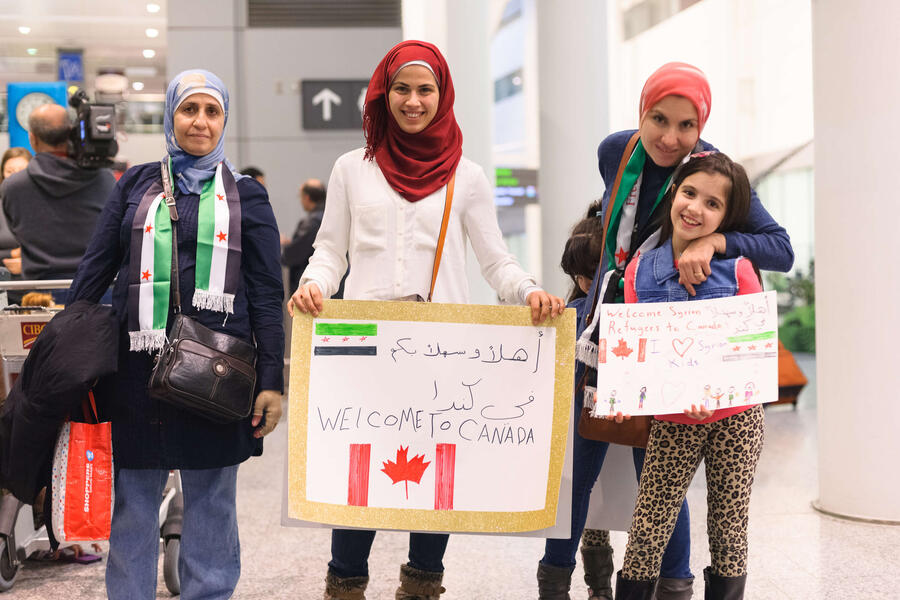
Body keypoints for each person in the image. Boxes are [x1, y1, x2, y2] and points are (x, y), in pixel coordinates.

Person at [288, 40, 565, 600]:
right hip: (364, 351)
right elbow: (330, 251)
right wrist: (314, 283)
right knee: (357, 474)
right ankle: (345, 586)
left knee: (436, 477)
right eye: (402, 89)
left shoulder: (468, 175)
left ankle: (422, 587)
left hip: (440, 351)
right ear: (382, 92)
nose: (413, 101)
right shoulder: (350, 168)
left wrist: (530, 291)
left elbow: (495, 261)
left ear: (443, 95)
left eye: (425, 90)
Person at [538, 62, 794, 600]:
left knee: (658, 481)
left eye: (685, 126)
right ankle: (554, 583)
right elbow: (611, 230)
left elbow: (781, 248)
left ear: (701, 127)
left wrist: (715, 244)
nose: (669, 138)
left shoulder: (708, 171)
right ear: (641, 112)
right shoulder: (615, 151)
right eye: (658, 119)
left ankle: (673, 585)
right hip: (601, 334)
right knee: (573, 471)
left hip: (665, 350)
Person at [67, 69, 285, 600]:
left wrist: (273, 379)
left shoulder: (247, 195)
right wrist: (69, 347)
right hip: (138, 367)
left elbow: (265, 294)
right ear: (171, 117)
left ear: (224, 120)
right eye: (189, 110)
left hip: (217, 368)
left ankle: (208, 593)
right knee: (135, 497)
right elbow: (95, 270)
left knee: (212, 498)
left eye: (212, 111)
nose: (200, 122)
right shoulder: (137, 183)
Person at [612, 152, 769, 599]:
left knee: (728, 527)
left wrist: (717, 395)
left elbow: (751, 353)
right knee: (647, 527)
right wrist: (630, 396)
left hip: (736, 420)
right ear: (673, 196)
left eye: (713, 204)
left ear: (726, 217)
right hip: (672, 421)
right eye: (689, 193)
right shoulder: (639, 271)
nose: (696, 208)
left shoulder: (739, 269)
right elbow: (635, 351)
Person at [1, 104, 115, 281]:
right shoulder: (105, 179)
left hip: (39, 294)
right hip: (96, 289)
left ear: (33, 139)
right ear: (70, 133)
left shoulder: (13, 186)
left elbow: (17, 232)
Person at [282, 178, 327, 293]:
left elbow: (294, 254)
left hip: (311, 286)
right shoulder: (330, 219)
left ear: (307, 197)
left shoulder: (312, 222)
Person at [0, 147, 31, 276]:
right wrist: (12, 254)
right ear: (2, 174)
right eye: (10, 171)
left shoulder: (47, 205)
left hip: (42, 282)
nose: (16, 177)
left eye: (22, 171)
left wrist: (28, 263)